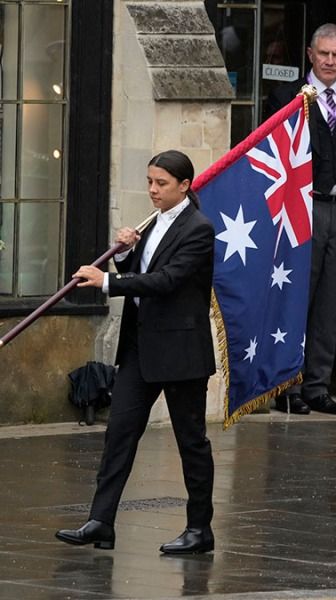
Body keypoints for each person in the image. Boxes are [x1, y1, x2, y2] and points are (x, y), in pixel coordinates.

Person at [57, 150, 217, 554]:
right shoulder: (153, 223)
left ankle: (200, 529)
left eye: (161, 183)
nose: (152, 190)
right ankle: (101, 521)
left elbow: (167, 280)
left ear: (184, 186)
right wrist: (127, 251)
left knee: (191, 441)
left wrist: (108, 281)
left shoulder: (198, 229)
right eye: (149, 181)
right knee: (119, 434)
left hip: (180, 352)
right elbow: (146, 269)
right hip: (140, 349)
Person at [265, 23, 336, 416]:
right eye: (323, 54)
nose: (330, 61)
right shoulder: (285, 97)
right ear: (310, 55)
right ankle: (288, 386)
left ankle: (317, 385)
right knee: (297, 299)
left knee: (332, 302)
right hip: (301, 210)